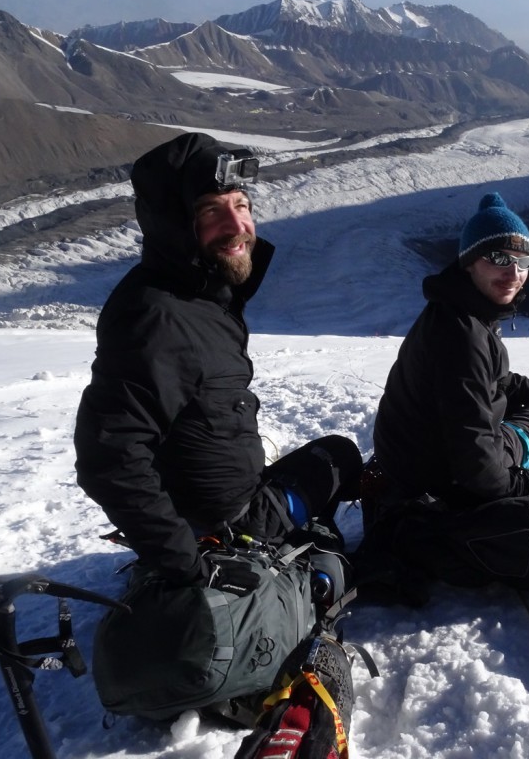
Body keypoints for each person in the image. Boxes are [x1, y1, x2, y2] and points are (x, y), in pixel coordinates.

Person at [74, 132, 363, 588]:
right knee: (339, 455)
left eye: (241, 204)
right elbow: (108, 459)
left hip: (217, 502)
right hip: (234, 524)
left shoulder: (196, 298)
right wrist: (186, 564)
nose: (236, 224)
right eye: (211, 210)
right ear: (174, 223)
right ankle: (306, 544)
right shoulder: (155, 318)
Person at [359, 192, 529, 600]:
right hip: (436, 478)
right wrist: (520, 488)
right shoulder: (462, 332)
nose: (513, 272)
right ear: (469, 260)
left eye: (523, 261)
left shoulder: (463, 314)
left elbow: (490, 381)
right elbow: (475, 458)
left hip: (417, 469)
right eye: (499, 258)